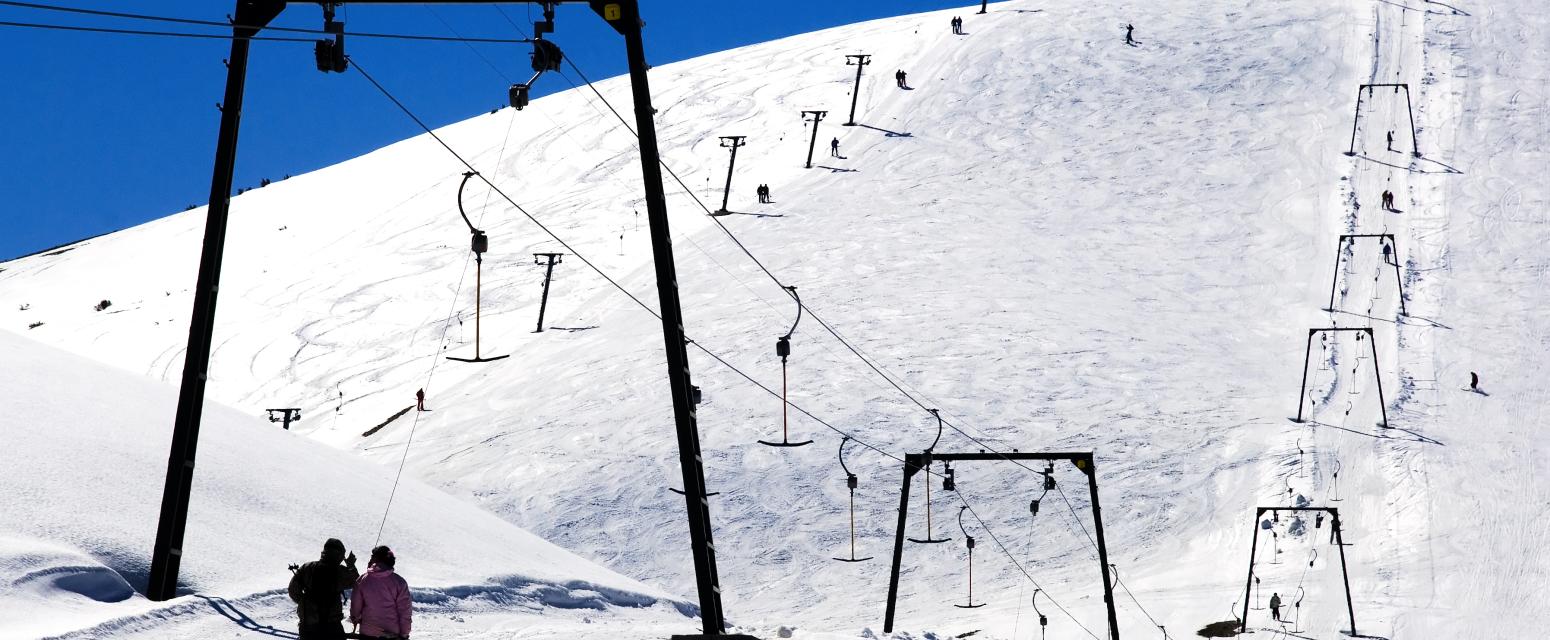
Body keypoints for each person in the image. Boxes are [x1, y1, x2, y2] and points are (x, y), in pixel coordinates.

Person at [290, 539, 361, 640]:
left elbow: (293, 590)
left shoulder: (307, 568)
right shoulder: (341, 572)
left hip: (308, 623)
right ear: (340, 555)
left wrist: (305, 603)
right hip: (332, 625)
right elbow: (357, 583)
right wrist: (351, 565)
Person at [351, 546, 412, 639]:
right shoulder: (399, 582)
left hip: (367, 632)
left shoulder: (363, 579)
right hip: (391, 634)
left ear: (376, 558)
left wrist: (356, 618)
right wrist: (404, 633)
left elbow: (356, 604)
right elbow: (405, 611)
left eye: (372, 556)